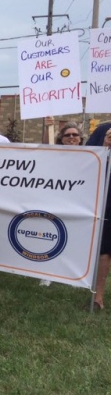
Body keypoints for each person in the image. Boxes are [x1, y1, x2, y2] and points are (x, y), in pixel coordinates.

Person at [94, 129, 111, 309]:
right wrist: (106, 145)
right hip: (99, 199)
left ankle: (98, 296)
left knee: (105, 248)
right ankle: (97, 296)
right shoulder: (102, 130)